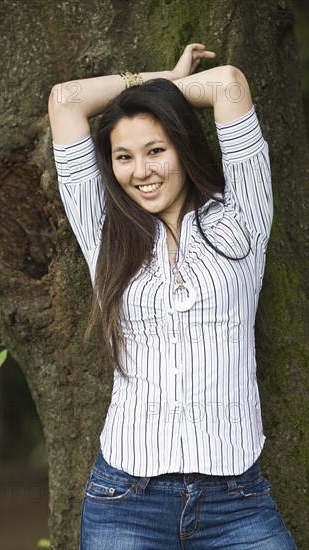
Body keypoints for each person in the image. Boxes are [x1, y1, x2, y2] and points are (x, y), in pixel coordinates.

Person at [48, 44, 297, 549]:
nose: (141, 171)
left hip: (237, 501)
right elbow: (65, 100)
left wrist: (165, 94)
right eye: (124, 157)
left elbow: (228, 82)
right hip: (125, 500)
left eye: (156, 149)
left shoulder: (241, 217)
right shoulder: (104, 230)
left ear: (183, 147)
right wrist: (158, 79)